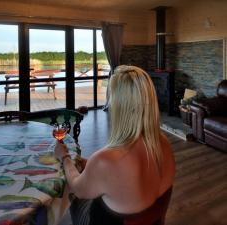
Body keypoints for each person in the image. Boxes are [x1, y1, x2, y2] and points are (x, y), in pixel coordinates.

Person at [54, 65, 175, 225]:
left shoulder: (106, 160)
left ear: (119, 105)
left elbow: (77, 188)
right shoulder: (164, 143)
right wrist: (90, 165)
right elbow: (122, 175)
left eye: (110, 97)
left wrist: (65, 157)